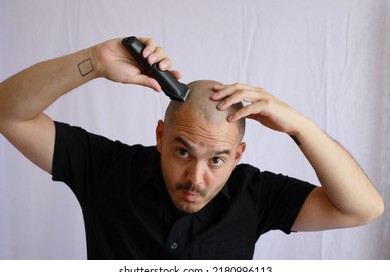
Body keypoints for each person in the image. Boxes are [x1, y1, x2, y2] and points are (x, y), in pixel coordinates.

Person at [0, 37, 384, 259]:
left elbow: (364, 209)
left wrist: (300, 126)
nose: (196, 179)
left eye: (217, 159)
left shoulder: (257, 195)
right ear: (160, 136)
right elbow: (8, 113)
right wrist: (95, 61)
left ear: (238, 156)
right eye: (183, 152)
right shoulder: (107, 170)